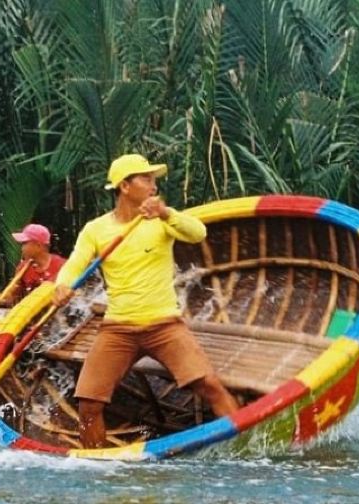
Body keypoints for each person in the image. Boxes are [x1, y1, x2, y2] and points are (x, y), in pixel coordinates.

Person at [52, 153, 239, 448]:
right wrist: (62, 285)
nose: (153, 186)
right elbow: (75, 263)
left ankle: (241, 442)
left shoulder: (162, 220)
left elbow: (198, 233)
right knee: (89, 404)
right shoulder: (96, 229)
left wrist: (166, 214)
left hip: (163, 324)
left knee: (210, 385)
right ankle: (96, 466)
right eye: (146, 179)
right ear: (125, 186)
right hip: (118, 328)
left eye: (154, 180)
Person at [0, 223, 66, 309]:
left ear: (38, 246)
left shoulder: (62, 266)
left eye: (25, 243)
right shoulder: (23, 268)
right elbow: (13, 297)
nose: (21, 248)